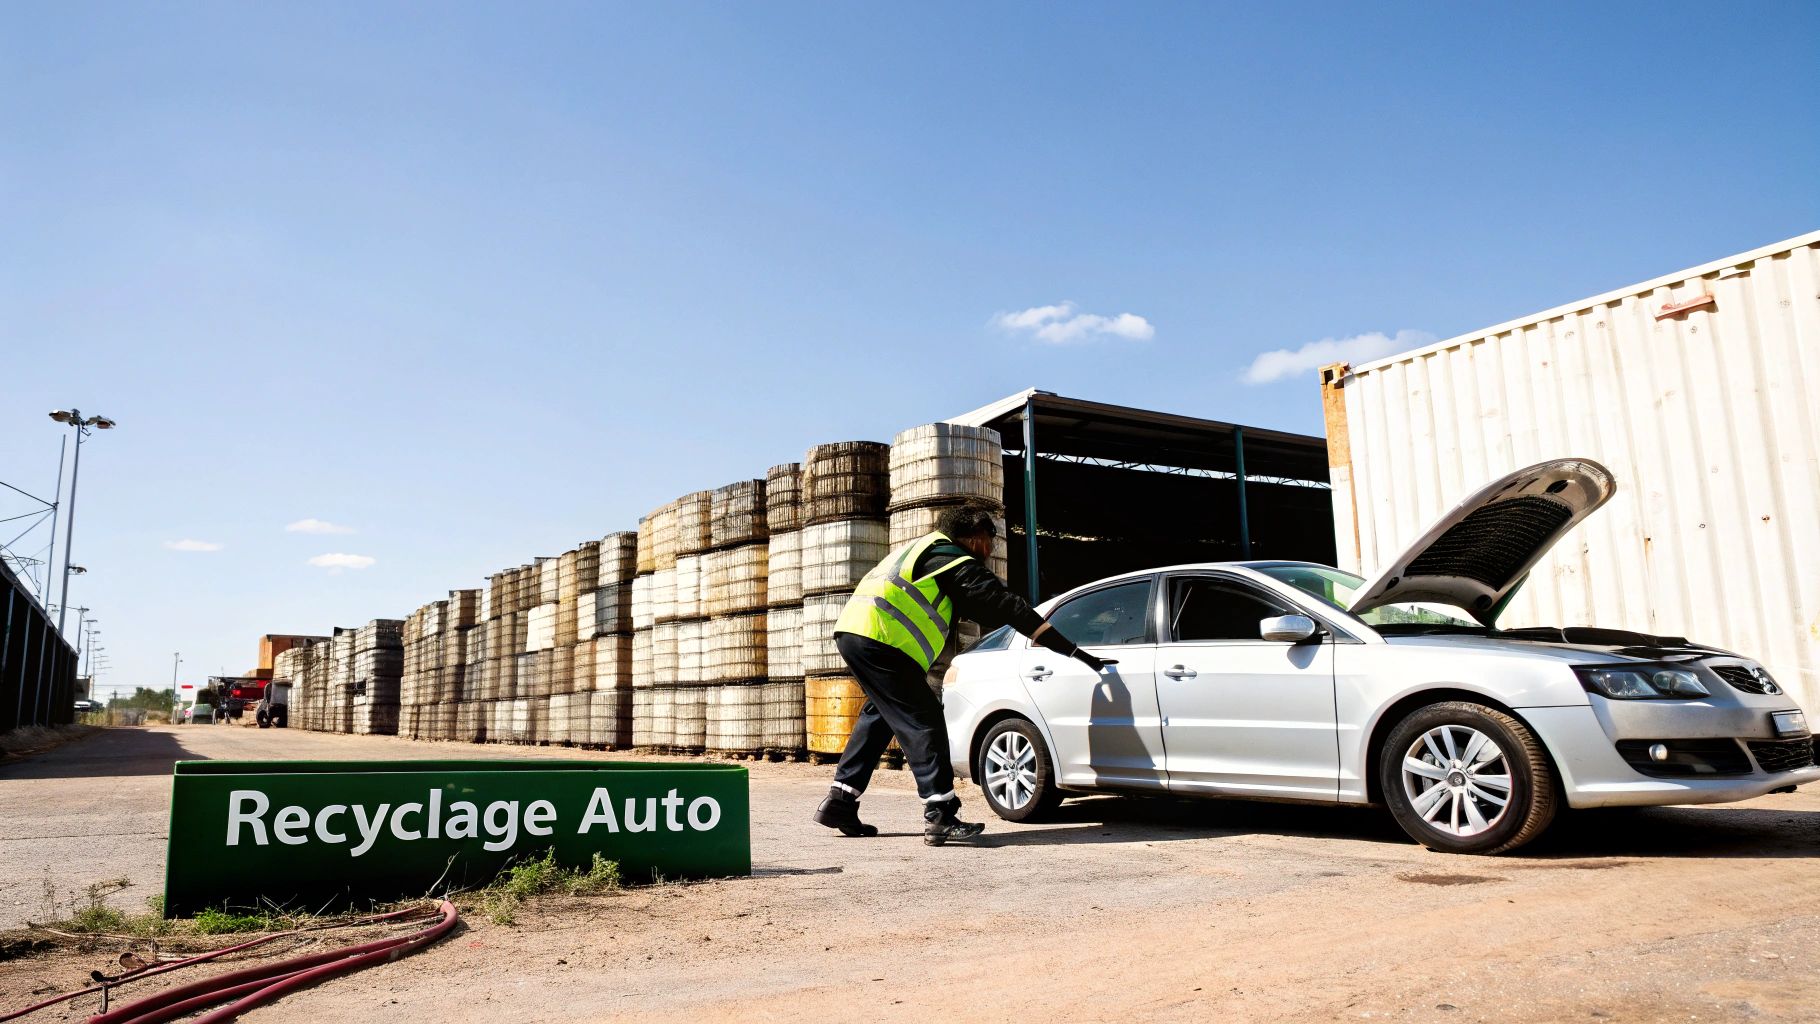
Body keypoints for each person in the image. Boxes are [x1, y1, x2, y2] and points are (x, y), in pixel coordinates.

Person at [812, 501, 1112, 845]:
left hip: (858, 632)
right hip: (881, 638)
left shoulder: (921, 551)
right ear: (974, 536)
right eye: (991, 540)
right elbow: (1002, 602)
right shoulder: (949, 555)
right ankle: (939, 814)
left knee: (878, 718)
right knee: (924, 721)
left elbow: (971, 607)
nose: (991, 549)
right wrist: (1069, 648)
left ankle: (840, 801)